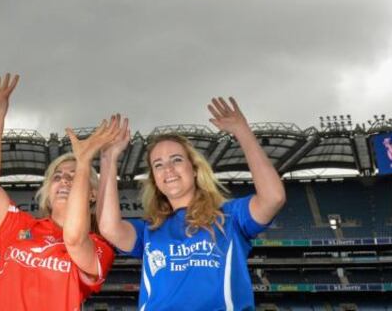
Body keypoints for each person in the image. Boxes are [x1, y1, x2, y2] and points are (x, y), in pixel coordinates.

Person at [97, 97, 287, 311]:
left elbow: (273, 197)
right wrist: (109, 160)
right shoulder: (150, 230)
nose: (167, 168)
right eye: (158, 165)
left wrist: (242, 131)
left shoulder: (230, 217)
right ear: (155, 180)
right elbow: (109, 227)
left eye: (176, 159)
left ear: (195, 169)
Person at [0, 74, 116, 310]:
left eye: (73, 177)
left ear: (91, 194)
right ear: (47, 190)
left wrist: (84, 163)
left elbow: (73, 239)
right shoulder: (22, 227)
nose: (64, 180)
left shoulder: (99, 247)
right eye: (57, 176)